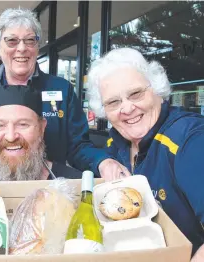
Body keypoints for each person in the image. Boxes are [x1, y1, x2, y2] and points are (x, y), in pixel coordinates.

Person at [0, 8, 129, 203]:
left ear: (37, 47)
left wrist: (102, 161)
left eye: (30, 40)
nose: (22, 48)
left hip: (50, 194)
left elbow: (78, 146)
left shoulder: (60, 89)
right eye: (12, 41)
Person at [86, 47, 204, 260]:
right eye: (114, 102)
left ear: (157, 90)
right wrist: (104, 162)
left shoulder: (189, 140)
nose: (127, 108)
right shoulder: (118, 140)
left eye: (136, 94)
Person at [0, 84, 82, 181]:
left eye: (23, 124)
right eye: (0, 125)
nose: (11, 137)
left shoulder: (75, 183)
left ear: (41, 128)